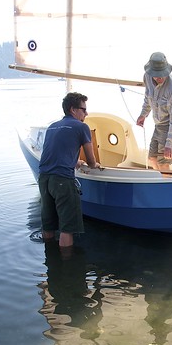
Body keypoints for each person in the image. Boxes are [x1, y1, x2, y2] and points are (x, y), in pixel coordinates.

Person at [38, 92, 99, 250]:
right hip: (62, 181)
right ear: (73, 109)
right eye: (83, 109)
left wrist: (75, 161)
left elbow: (54, 153)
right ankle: (67, 267)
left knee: (48, 224)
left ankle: (50, 258)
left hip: (44, 179)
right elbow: (92, 161)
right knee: (67, 228)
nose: (86, 113)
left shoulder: (52, 126)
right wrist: (94, 165)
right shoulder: (82, 127)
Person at [136, 52, 172, 174]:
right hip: (158, 124)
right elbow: (148, 97)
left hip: (171, 125)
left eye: (162, 74)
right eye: (157, 75)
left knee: (163, 162)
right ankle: (160, 181)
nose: (160, 78)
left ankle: (168, 185)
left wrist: (170, 144)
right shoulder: (147, 77)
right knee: (152, 158)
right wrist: (143, 114)